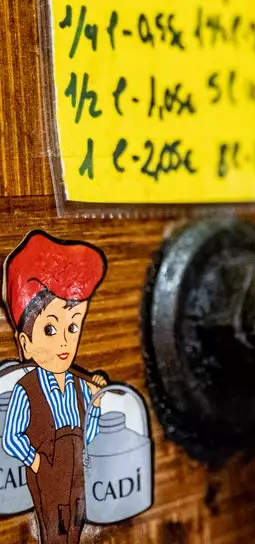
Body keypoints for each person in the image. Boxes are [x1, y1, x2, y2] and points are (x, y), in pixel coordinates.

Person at [0, 230, 110, 544]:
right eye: (50, 328)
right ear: (25, 344)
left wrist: (96, 407)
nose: (64, 341)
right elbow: (11, 438)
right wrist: (37, 463)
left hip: (76, 472)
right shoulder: (28, 388)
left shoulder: (78, 386)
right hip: (47, 473)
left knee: (74, 526)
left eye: (73, 326)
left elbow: (86, 436)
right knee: (53, 532)